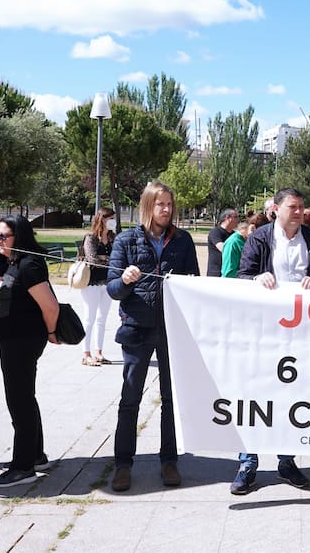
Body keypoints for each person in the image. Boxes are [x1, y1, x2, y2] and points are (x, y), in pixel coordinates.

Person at [230, 187, 310, 495]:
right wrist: (255, 279)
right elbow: (242, 275)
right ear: (276, 209)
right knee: (256, 396)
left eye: (302, 207)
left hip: (300, 334)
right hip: (263, 334)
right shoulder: (260, 238)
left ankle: (287, 461)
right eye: (293, 207)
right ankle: (248, 463)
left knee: (292, 397)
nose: (299, 212)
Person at [107, 181, 200, 492]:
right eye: (161, 204)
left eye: (170, 204)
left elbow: (194, 284)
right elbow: (112, 289)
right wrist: (124, 279)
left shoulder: (183, 240)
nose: (167, 209)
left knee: (172, 399)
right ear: (147, 206)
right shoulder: (125, 240)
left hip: (173, 330)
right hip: (136, 327)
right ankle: (122, 464)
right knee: (129, 398)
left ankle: (169, 460)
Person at [0, 215, 60, 488]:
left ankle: (22, 466)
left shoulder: (29, 264)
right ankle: (35, 455)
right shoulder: (12, 263)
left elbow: (50, 306)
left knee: (19, 400)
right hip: (11, 339)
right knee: (24, 397)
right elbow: (1, 299)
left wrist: (49, 332)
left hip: (23, 340)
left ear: (19, 237)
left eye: (4, 236)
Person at [80, 207, 117, 366]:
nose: (114, 222)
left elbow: (117, 259)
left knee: (102, 319)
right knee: (90, 318)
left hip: (107, 282)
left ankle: (99, 352)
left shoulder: (112, 238)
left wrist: (106, 259)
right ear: (102, 219)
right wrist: (107, 260)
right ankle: (86, 354)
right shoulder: (91, 238)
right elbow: (93, 259)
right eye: (111, 219)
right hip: (91, 282)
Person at [221, 214, 259, 279]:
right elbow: (229, 272)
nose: (255, 233)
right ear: (243, 228)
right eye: (252, 230)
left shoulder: (247, 240)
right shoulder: (233, 243)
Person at [206, 208, 238, 277]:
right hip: (216, 274)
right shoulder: (215, 232)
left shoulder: (235, 235)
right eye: (235, 217)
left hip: (230, 273)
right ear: (227, 218)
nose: (238, 220)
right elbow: (223, 248)